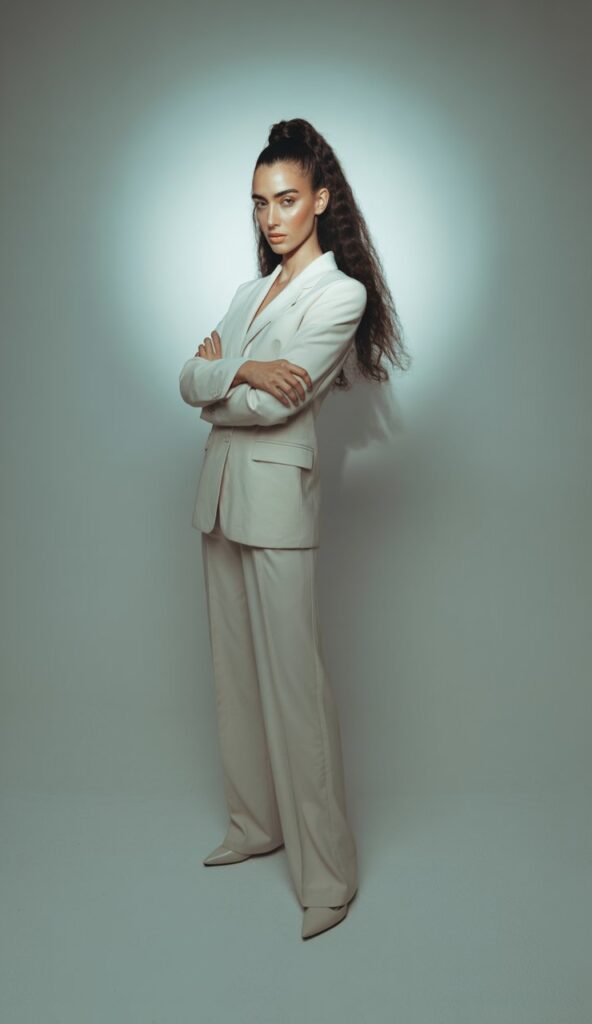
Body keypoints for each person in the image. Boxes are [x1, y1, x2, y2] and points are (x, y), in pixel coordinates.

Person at [179, 117, 408, 939]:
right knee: (235, 676)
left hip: (278, 506)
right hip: (221, 497)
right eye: (257, 204)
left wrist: (223, 387)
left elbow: (281, 402)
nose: (269, 218)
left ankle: (329, 875)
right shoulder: (249, 294)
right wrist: (233, 367)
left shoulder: (340, 294)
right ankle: (254, 825)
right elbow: (189, 375)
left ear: (319, 199)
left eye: (284, 200)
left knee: (295, 689)